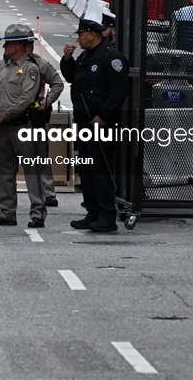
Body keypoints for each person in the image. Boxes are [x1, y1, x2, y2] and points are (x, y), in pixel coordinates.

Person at [0, 25, 64, 227]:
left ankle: (37, 213)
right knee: (4, 170)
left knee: (32, 170)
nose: (4, 46)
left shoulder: (32, 69)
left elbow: (27, 98)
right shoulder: (2, 66)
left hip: (25, 126)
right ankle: (6, 212)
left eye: (8, 43)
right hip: (5, 127)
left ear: (19, 46)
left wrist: (5, 114)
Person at [61, 18, 129, 233]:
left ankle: (107, 215)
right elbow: (73, 77)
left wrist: (104, 116)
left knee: (101, 170)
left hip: (102, 124)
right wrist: (67, 59)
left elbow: (117, 91)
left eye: (81, 35)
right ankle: (93, 212)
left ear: (92, 34)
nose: (78, 39)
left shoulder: (111, 58)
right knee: (87, 169)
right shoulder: (86, 56)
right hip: (85, 122)